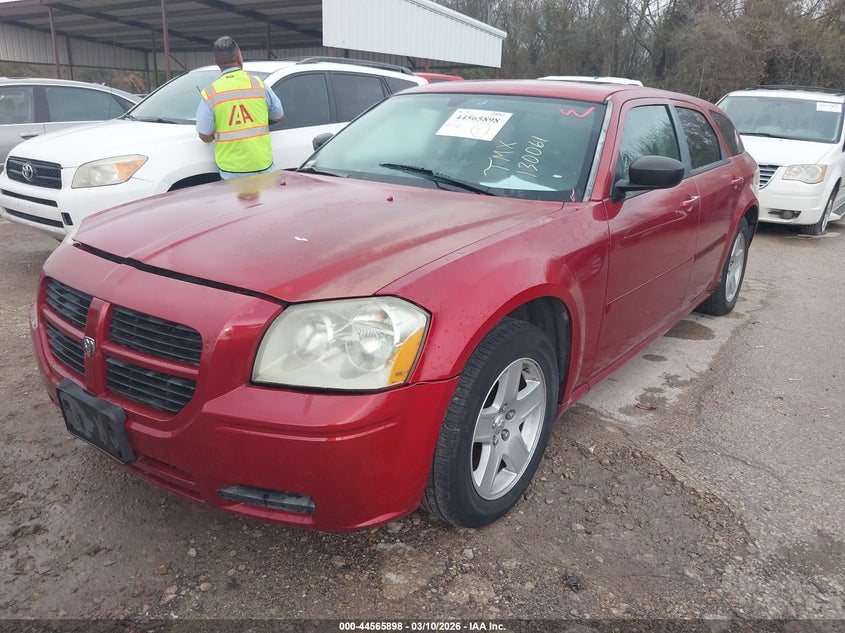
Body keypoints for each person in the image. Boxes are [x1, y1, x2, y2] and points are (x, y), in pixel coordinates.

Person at [196, 36, 284, 179]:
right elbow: (279, 116)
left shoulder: (211, 93)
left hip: (231, 171)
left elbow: (204, 135)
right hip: (263, 166)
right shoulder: (259, 85)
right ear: (240, 58)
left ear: (216, 62)